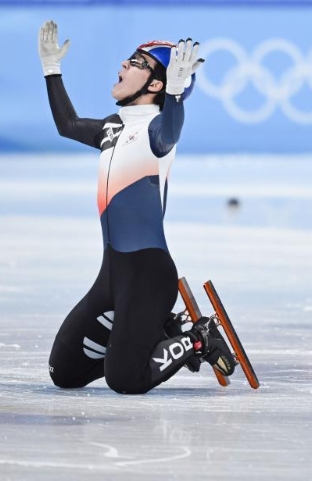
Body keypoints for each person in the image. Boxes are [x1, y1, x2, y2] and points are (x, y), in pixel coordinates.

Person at [37, 20, 235, 394]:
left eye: (137, 63)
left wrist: (175, 96)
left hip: (148, 275)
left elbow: (171, 130)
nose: (124, 65)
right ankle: (161, 331)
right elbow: (68, 124)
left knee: (126, 379)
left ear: (156, 85)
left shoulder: (157, 131)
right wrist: (51, 68)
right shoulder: (112, 128)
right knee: (63, 372)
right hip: (111, 275)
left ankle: (199, 337)